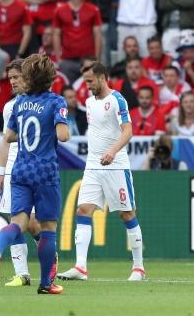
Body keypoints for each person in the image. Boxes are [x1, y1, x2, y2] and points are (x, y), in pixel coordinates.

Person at [0, 53, 69, 295]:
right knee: (48, 228)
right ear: (50, 78)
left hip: (20, 170)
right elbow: (63, 136)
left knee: (18, 222)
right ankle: (45, 284)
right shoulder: (56, 102)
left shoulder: (19, 104)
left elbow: (9, 137)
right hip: (45, 171)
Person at [57, 62, 144, 282]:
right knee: (83, 210)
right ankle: (80, 267)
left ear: (103, 77)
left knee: (127, 214)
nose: (87, 86)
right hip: (93, 166)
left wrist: (113, 151)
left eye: (90, 81)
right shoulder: (88, 102)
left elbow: (128, 131)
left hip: (115, 165)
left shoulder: (117, 100)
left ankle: (139, 268)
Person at [0, 60, 41, 287]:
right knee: (14, 219)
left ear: (27, 77)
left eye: (16, 77)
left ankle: (46, 247)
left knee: (32, 222)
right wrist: (0, 173)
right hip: (14, 167)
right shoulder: (9, 107)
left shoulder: (43, 102)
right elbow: (6, 142)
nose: (12, 82)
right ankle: (22, 274)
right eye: (10, 78)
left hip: (36, 167)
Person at [52, 0, 103, 83]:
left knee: (90, 91)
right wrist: (58, 58)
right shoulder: (60, 10)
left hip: (88, 60)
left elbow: (97, 34)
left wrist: (96, 58)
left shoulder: (93, 10)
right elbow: (56, 34)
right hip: (67, 60)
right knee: (67, 90)